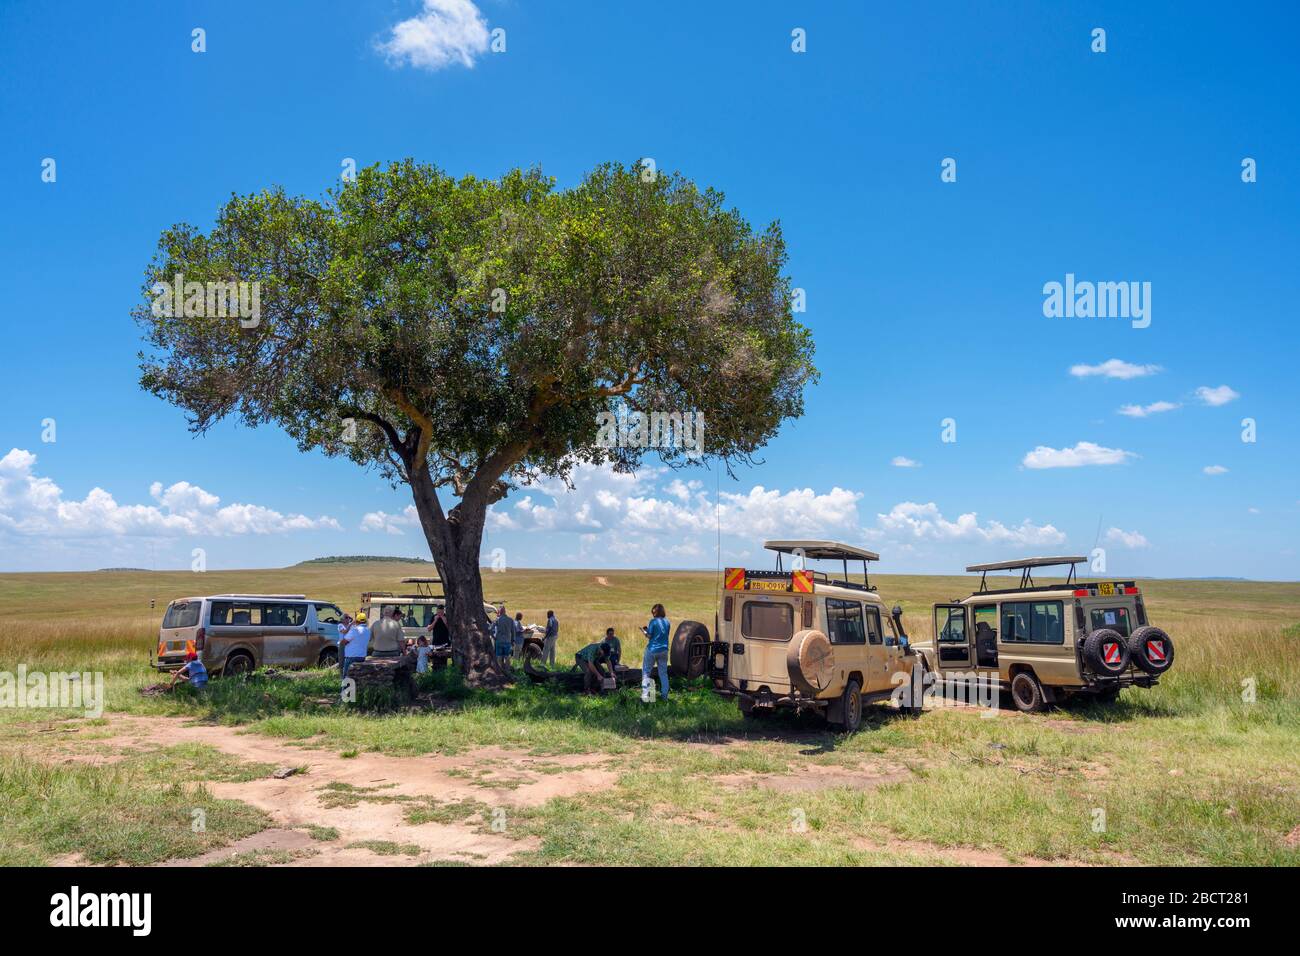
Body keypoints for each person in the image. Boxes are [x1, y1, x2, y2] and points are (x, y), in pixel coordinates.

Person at [641, 603, 671, 703]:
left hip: (652, 649)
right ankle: (664, 696)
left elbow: (649, 636)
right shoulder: (667, 622)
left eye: (653, 612)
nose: (653, 614)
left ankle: (646, 696)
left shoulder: (653, 622)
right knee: (663, 674)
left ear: (655, 612)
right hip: (664, 650)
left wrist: (644, 631)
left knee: (646, 672)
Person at [338, 611, 370, 683]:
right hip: (362, 656)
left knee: (347, 677)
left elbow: (344, 641)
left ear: (357, 621)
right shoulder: (368, 630)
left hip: (351, 657)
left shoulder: (354, 630)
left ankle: (345, 693)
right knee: (358, 677)